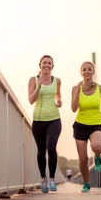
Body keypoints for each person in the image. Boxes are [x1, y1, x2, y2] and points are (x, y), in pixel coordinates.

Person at [71, 61, 101, 193]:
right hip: (80, 125)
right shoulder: (76, 88)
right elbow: (73, 108)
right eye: (84, 69)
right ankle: (87, 183)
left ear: (93, 72)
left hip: (96, 123)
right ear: (81, 72)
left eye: (89, 69)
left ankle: (98, 156)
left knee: (97, 146)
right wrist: (77, 91)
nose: (87, 71)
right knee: (83, 159)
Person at [28, 55, 62, 193]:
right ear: (40, 65)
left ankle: (52, 179)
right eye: (44, 63)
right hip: (38, 120)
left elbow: (58, 94)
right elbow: (31, 100)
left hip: (54, 119)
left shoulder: (57, 81)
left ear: (52, 66)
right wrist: (38, 86)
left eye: (49, 63)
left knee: (51, 147)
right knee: (41, 151)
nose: (46, 65)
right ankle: (43, 180)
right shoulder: (33, 79)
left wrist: (59, 101)